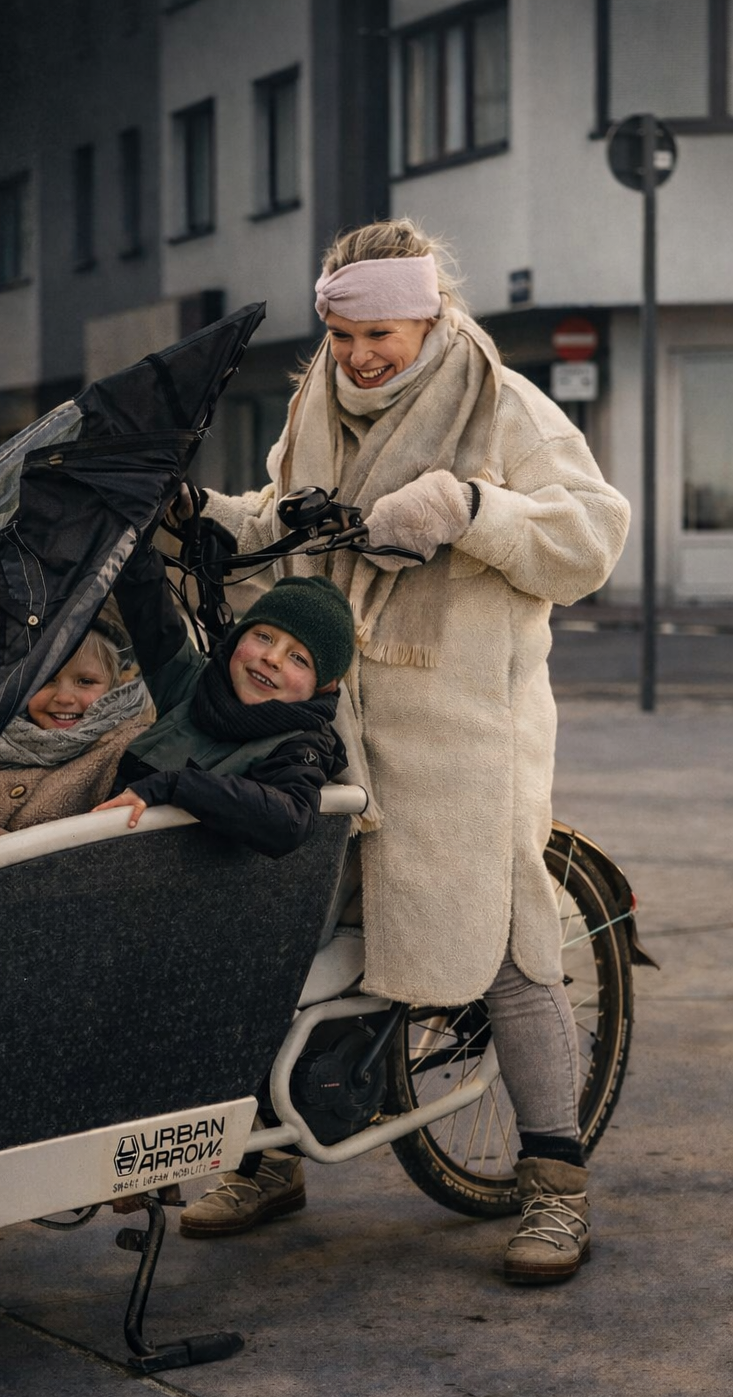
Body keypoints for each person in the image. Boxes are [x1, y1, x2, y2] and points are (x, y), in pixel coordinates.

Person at [173, 218, 631, 1281]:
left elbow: (590, 537)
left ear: (430, 314)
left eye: (379, 332)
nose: (360, 356)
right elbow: (287, 524)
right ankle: (270, 1159)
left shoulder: (499, 403)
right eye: (341, 336)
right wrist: (208, 520)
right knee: (284, 938)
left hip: (467, 732)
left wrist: (473, 508)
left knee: (508, 950)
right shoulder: (313, 408)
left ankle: (556, 1186)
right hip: (331, 727)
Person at [92, 534, 354, 859]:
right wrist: (138, 523)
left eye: (299, 658)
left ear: (325, 686)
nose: (272, 658)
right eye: (263, 636)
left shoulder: (303, 744)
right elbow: (145, 599)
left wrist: (175, 786)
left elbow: (288, 820)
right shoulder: (192, 679)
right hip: (91, 846)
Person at [0, 624, 151, 855]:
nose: (65, 698)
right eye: (47, 679)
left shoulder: (125, 745)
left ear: (114, 685)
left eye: (85, 681)